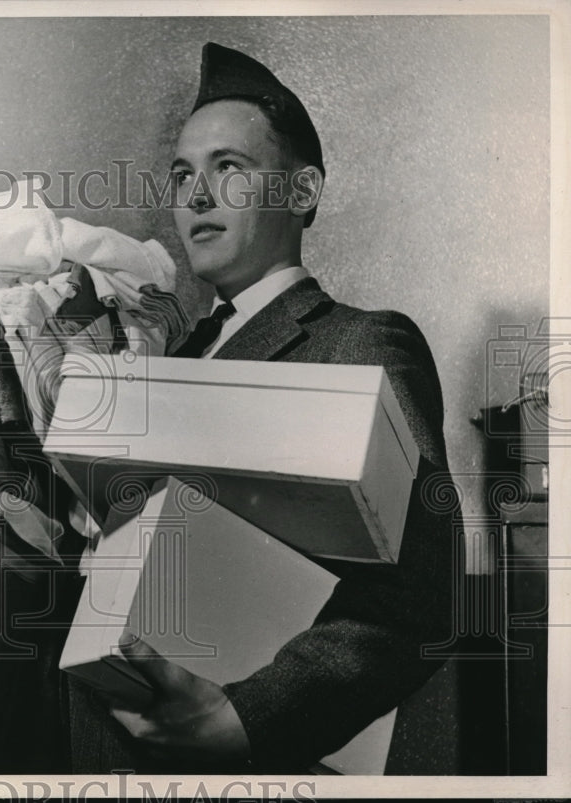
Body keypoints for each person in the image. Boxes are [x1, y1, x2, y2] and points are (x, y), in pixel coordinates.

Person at [66, 42, 459, 774]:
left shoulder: (363, 341)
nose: (196, 195)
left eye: (230, 169)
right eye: (183, 173)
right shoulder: (161, 361)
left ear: (303, 190)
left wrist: (248, 719)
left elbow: (418, 598)